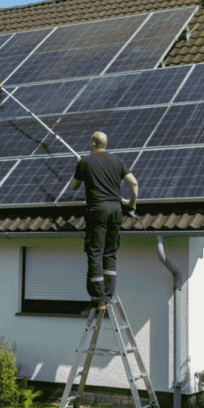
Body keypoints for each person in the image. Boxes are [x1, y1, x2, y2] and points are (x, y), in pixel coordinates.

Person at [69, 131, 138, 311]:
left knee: (95, 252)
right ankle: (108, 295)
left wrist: (79, 166)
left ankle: (98, 299)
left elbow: (73, 186)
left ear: (93, 143)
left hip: (98, 210)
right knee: (110, 253)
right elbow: (134, 183)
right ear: (105, 144)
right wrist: (132, 204)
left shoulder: (85, 162)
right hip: (116, 210)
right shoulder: (116, 161)